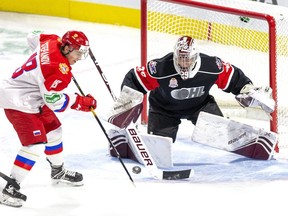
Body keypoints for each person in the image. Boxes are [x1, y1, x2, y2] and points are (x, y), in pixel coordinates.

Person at [107, 35, 275, 161]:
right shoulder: (160, 68)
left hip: (200, 107)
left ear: (196, 56)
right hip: (164, 109)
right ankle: (122, 141)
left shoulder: (212, 66)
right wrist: (127, 105)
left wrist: (248, 89)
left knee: (220, 134)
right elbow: (135, 79)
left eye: (188, 58)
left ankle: (255, 144)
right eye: (180, 58)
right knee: (158, 148)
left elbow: (234, 79)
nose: (184, 62)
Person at [0, 30, 97, 207]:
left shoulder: (52, 39)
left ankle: (57, 171)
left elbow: (32, 36)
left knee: (54, 131)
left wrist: (42, 63)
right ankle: (9, 189)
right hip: (19, 101)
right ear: (67, 48)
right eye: (78, 53)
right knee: (35, 145)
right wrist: (81, 102)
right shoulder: (57, 70)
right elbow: (54, 102)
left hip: (32, 96)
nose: (80, 57)